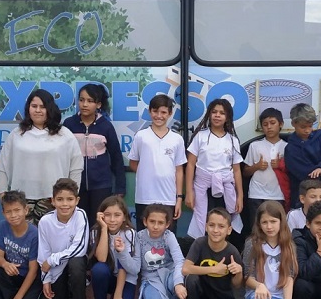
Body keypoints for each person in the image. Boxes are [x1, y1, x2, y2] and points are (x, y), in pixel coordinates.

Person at [0, 89, 83, 224]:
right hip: (21, 199)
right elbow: (3, 165)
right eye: (34, 106)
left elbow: (76, 167)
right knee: (24, 240)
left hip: (53, 199)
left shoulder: (64, 134)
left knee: (50, 240)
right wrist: (2, 194)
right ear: (28, 108)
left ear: (50, 109)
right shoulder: (17, 134)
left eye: (43, 107)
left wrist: (71, 196)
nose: (38, 110)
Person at [174, 208, 244, 299]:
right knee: (191, 280)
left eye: (221, 226)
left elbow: (236, 285)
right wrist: (213, 269)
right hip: (201, 291)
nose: (216, 230)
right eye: (211, 225)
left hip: (221, 294)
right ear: (206, 227)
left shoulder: (232, 251)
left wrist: (238, 272)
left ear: (229, 230)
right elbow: (186, 269)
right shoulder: (200, 243)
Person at [63, 84, 126, 230]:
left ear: (98, 104)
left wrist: (120, 187)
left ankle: (97, 253)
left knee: (98, 224)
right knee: (77, 223)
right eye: (81, 100)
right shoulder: (69, 124)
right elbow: (61, 155)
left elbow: (116, 157)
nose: (84, 104)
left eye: (90, 101)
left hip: (101, 185)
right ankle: (80, 253)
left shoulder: (106, 126)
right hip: (75, 185)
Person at [240, 201, 298, 299]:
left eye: (273, 221)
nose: (269, 226)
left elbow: (289, 279)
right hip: (258, 294)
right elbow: (247, 277)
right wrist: (259, 286)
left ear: (281, 221)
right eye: (264, 222)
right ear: (259, 224)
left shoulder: (288, 246)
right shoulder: (252, 244)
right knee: (260, 298)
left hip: (278, 296)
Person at [185, 98, 244, 239]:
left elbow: (236, 170)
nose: (217, 115)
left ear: (227, 117)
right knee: (205, 222)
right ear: (209, 115)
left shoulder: (232, 140)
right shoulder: (200, 136)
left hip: (225, 190)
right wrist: (188, 192)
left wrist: (240, 196)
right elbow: (190, 164)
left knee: (224, 222)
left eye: (222, 113)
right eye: (214, 112)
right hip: (203, 188)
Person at [119, 204, 185, 299]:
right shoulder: (139, 237)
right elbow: (135, 268)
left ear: (167, 224)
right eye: (152, 221)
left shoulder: (169, 236)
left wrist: (178, 283)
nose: (155, 226)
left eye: (160, 223)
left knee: (177, 284)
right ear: (145, 221)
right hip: (151, 278)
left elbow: (179, 261)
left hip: (169, 273)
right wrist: (123, 253)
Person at [128, 94, 186, 232]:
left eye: (163, 112)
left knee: (168, 238)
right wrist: (148, 172)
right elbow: (133, 163)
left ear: (170, 114)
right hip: (145, 197)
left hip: (168, 198)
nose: (159, 116)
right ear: (149, 111)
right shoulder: (141, 136)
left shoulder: (177, 139)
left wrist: (178, 199)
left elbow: (179, 170)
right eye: (155, 111)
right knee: (144, 236)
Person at [38, 178, 90, 299]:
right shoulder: (45, 221)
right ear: (52, 201)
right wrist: (45, 280)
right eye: (60, 199)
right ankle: (68, 288)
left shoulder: (81, 216)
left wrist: (53, 259)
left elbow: (79, 247)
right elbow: (43, 253)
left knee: (76, 262)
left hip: (73, 263)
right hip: (56, 268)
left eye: (70, 199)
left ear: (77, 200)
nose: (65, 204)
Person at [0, 190, 42, 299]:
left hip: (32, 278)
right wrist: (5, 264)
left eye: (17, 210)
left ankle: (29, 298)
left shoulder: (34, 234)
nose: (13, 215)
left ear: (26, 210)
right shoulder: (2, 227)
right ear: (3, 213)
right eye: (8, 212)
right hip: (14, 275)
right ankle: (11, 298)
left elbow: (33, 270)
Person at [87, 195, 138, 299]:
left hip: (125, 278)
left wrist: (117, 296)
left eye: (117, 215)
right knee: (99, 269)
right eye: (107, 215)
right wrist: (103, 229)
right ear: (101, 216)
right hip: (108, 277)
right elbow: (102, 259)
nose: (112, 220)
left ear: (124, 216)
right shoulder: (95, 231)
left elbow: (124, 267)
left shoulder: (129, 233)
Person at [242, 107, 289, 235]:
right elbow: (245, 172)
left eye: (273, 123)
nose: (269, 127)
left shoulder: (287, 147)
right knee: (256, 230)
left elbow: (293, 173)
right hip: (256, 194)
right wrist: (256, 166)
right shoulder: (255, 145)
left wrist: (280, 165)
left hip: (278, 195)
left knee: (276, 231)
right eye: (265, 124)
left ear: (281, 124)